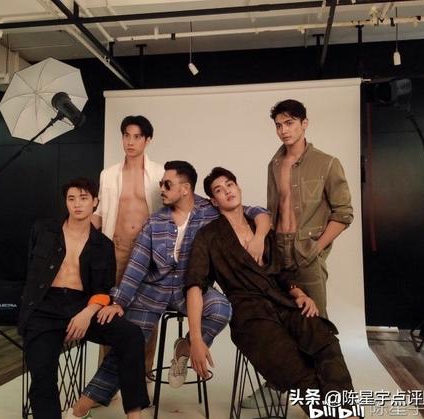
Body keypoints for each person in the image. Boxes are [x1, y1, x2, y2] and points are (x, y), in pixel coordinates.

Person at [68, 161, 270, 416]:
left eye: (167, 184)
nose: (161, 189)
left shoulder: (210, 211)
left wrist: (260, 236)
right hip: (152, 292)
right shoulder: (155, 221)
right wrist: (118, 301)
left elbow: (254, 211)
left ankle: (185, 348)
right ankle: (84, 404)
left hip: (191, 290)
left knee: (221, 308)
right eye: (161, 184)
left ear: (185, 189)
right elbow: (137, 265)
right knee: (128, 346)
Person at [186, 167, 357, 419]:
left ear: (238, 187)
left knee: (324, 339)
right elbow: (194, 285)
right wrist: (196, 339)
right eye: (219, 190)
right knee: (291, 364)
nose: (227, 191)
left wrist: (299, 294)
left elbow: (283, 273)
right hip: (249, 315)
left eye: (230, 184)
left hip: (282, 302)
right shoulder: (208, 236)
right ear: (214, 201)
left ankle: (348, 414)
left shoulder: (262, 228)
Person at [18, 177, 149, 419]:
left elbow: (104, 289)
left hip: (82, 305)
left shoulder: (103, 245)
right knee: (43, 372)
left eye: (83, 198)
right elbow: (31, 273)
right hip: (44, 307)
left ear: (95, 202)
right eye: (71, 199)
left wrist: (88, 313)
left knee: (131, 334)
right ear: (66, 203)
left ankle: (134, 414)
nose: (77, 204)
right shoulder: (43, 230)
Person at [267, 99, 353, 318]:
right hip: (278, 249)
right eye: (279, 125)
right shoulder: (274, 165)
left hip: (307, 248)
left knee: (316, 322)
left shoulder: (327, 163)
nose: (284, 130)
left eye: (289, 123)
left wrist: (316, 249)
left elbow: (344, 214)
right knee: (281, 319)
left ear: (304, 123)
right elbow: (272, 210)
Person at [93, 115, 163, 375]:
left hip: (148, 251)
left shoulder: (159, 173)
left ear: (147, 140)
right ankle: (106, 381)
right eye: (126, 135)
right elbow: (100, 212)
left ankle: (142, 374)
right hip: (116, 248)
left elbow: (172, 207)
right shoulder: (109, 174)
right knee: (108, 310)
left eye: (137, 137)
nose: (130, 142)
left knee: (147, 313)